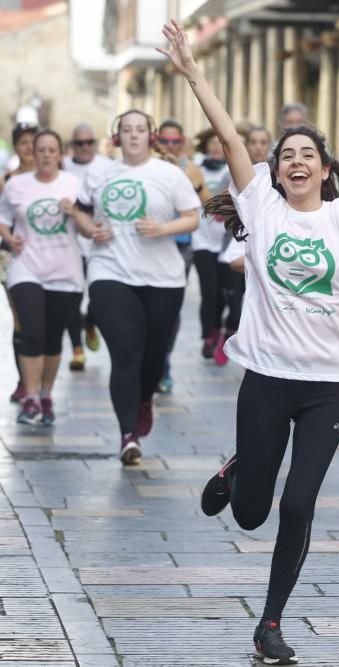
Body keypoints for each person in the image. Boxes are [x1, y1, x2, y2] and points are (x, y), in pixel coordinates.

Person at [158, 20, 339, 664]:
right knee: (252, 513)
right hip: (266, 380)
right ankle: (238, 471)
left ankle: (271, 625)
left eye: (306, 153)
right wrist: (191, 71)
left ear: (323, 166)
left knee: (300, 501)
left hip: (323, 390)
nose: (296, 161)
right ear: (276, 170)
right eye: (286, 155)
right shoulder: (261, 205)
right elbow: (230, 135)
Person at [64, 109, 200, 464]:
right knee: (125, 352)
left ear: (151, 136)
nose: (134, 136)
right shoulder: (100, 172)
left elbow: (193, 216)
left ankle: (143, 399)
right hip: (110, 271)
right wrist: (90, 229)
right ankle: (128, 435)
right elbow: (80, 211)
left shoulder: (169, 174)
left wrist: (163, 229)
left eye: (141, 130)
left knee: (153, 358)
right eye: (127, 130)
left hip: (162, 277)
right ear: (117, 136)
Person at [0, 130, 84, 425]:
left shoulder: (75, 184)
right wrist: (10, 238)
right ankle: (31, 398)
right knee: (32, 329)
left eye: (52, 150)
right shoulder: (16, 185)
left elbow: (89, 225)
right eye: (41, 150)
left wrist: (74, 212)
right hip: (26, 268)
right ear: (32, 154)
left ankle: (46, 395)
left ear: (60, 154)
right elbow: (4, 219)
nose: (46, 154)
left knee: (52, 338)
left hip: (65, 271)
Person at [155, 119, 206, 392]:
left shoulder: (191, 169)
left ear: (183, 141)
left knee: (170, 310)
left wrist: (193, 185)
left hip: (180, 247)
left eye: (176, 141)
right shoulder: (148, 167)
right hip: (150, 245)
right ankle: (151, 362)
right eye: (165, 141)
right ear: (157, 141)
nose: (171, 146)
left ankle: (163, 364)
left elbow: (208, 206)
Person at [62, 124, 111, 372]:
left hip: (99, 244)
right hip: (70, 243)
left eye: (89, 142)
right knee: (72, 298)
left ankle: (91, 320)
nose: (84, 147)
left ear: (95, 142)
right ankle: (77, 350)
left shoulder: (107, 166)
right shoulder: (64, 168)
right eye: (79, 143)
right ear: (72, 146)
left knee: (99, 298)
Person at [189, 128, 236, 364]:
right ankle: (209, 335)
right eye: (212, 143)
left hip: (228, 240)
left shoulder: (235, 169)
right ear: (206, 145)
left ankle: (225, 330)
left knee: (227, 295)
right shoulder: (197, 168)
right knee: (209, 292)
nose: (217, 147)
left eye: (221, 142)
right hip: (202, 239)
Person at [3, 123, 38, 403]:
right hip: (13, 253)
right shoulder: (7, 180)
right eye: (23, 143)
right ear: (16, 147)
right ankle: (24, 381)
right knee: (21, 318)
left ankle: (36, 380)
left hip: (48, 254)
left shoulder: (52, 178)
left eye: (33, 142)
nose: (29, 148)